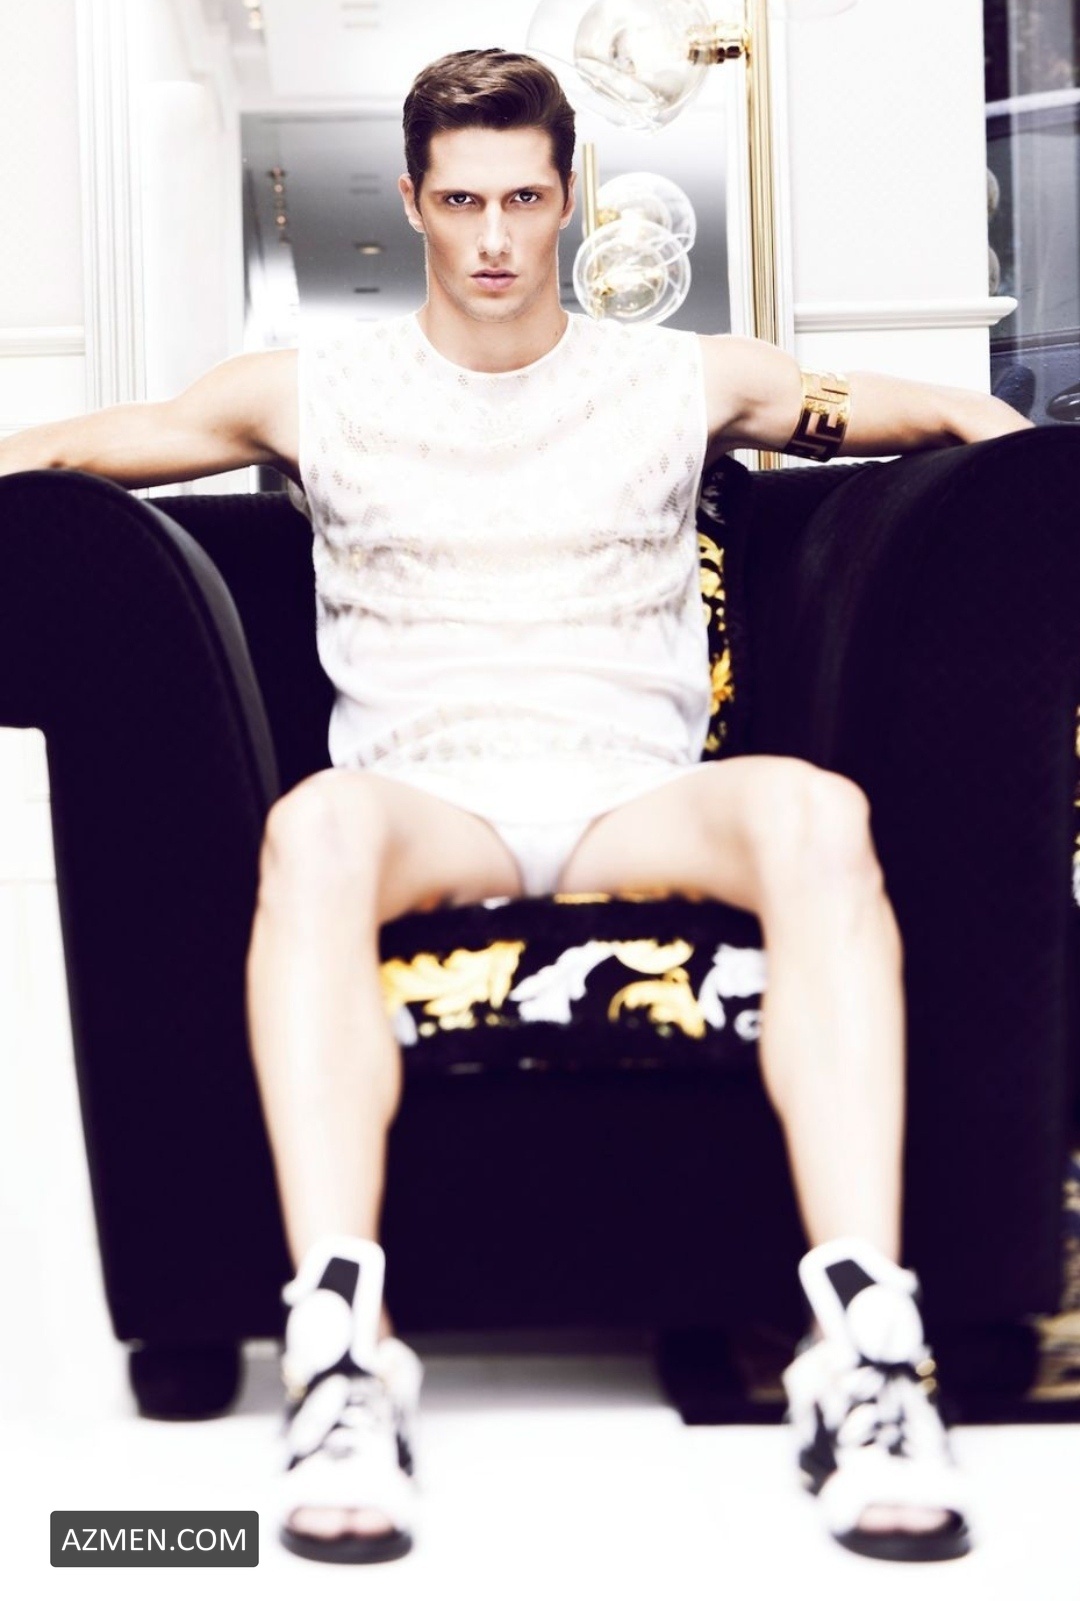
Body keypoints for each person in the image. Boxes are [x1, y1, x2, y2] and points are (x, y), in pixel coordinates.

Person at [0, 46, 1033, 1569]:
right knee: (313, 828)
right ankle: (344, 1350)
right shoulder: (311, 391)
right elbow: (84, 447)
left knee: (817, 816)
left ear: (569, 199)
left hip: (636, 800)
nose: (494, 238)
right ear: (413, 200)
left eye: (525, 201)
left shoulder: (688, 379)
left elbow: (937, 416)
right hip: (432, 803)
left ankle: (865, 1346)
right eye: (463, 201)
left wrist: (1035, 478)